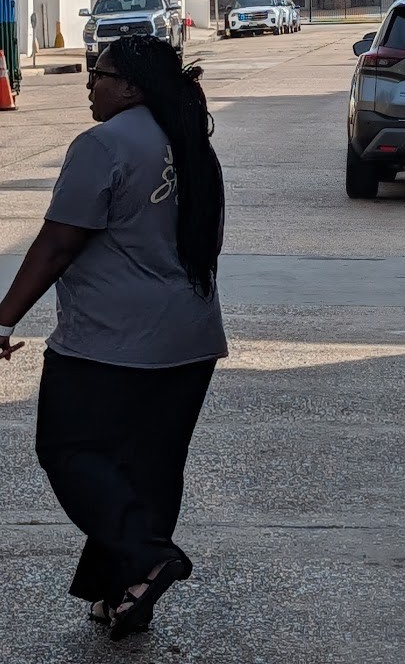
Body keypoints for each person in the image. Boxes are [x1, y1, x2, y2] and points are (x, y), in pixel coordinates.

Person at [0, 35, 226, 640]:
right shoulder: (191, 141)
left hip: (110, 342)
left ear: (129, 87)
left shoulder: (103, 144)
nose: (89, 85)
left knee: (69, 452)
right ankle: (123, 594)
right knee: (149, 468)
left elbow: (58, 244)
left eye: (97, 74)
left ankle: (146, 559)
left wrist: (4, 318)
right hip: (191, 339)